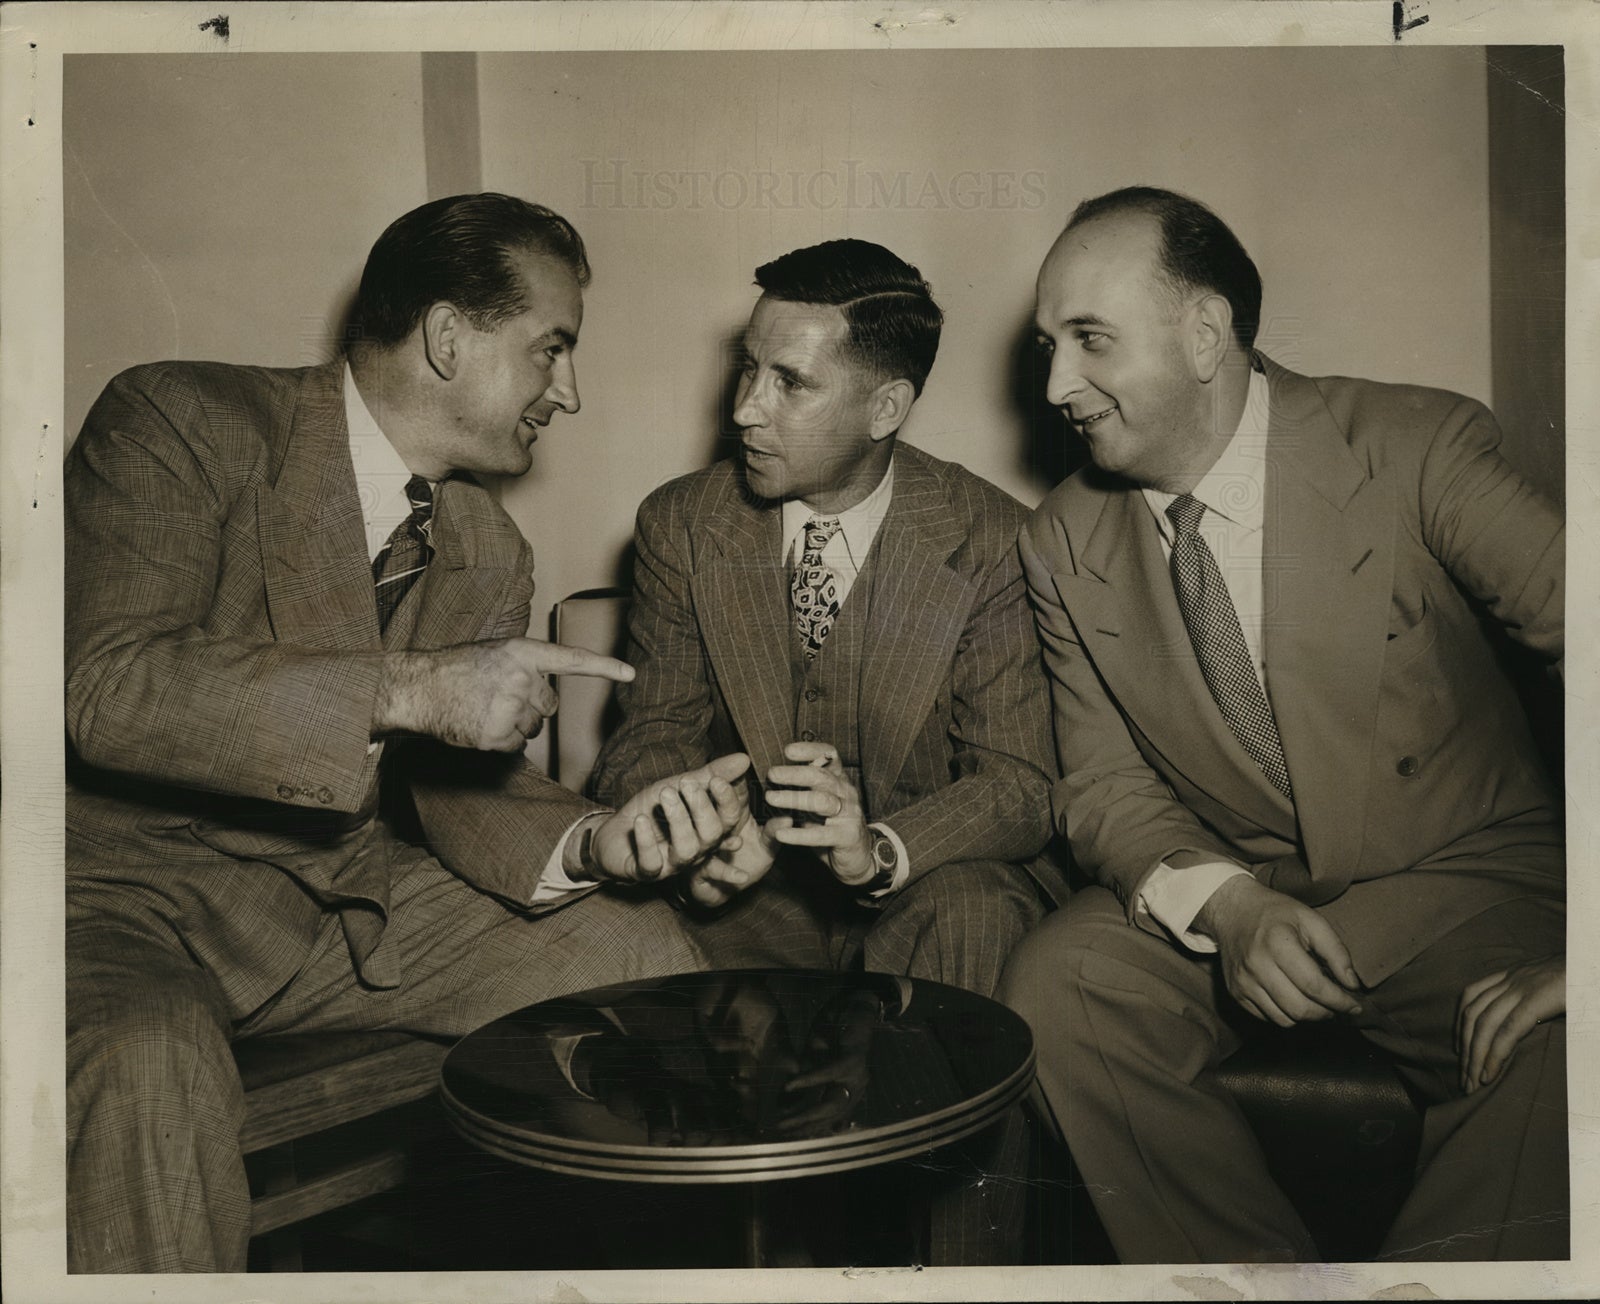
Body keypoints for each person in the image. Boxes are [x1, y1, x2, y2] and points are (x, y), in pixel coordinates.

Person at [65, 192, 762, 1273]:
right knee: (147, 1059)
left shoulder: (486, 544)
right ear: (448, 337)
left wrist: (596, 842)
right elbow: (109, 686)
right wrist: (411, 686)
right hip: (113, 904)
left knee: (638, 949)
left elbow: (457, 788)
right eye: (552, 348)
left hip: (337, 908)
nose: (567, 392)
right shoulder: (181, 420)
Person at [1000, 186, 1566, 1262]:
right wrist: (1228, 908)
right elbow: (1104, 789)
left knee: (1564, 1042)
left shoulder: (1413, 444)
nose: (1055, 385)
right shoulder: (1061, 537)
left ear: (1204, 334)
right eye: (1045, 344)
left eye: (1089, 341)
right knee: (1059, 984)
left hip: (1467, 884)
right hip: (1250, 882)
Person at [589, 238, 1062, 1262]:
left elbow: (1021, 786)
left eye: (788, 381)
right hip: (753, 903)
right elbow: (644, 741)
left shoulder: (994, 538)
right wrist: (701, 826)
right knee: (648, 959)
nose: (745, 407)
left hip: (930, 887)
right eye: (746, 367)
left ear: (886, 407)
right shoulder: (682, 523)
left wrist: (880, 848)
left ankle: (963, 1275)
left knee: (975, 918)